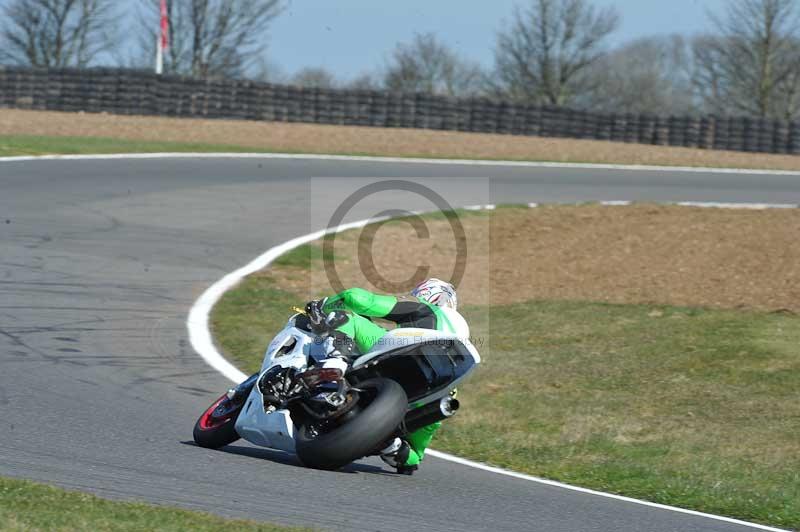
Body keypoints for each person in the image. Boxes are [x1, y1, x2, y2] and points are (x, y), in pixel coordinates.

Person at [304, 278, 465, 475]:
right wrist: (400, 451)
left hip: (403, 358)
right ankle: (392, 446)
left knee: (346, 316)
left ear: (427, 296)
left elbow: (356, 298)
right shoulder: (453, 368)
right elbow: (414, 461)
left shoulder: (424, 308)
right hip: (436, 391)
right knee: (411, 453)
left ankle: (333, 366)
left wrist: (322, 305)